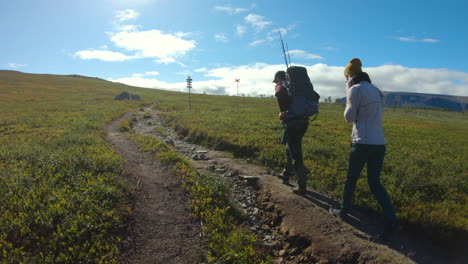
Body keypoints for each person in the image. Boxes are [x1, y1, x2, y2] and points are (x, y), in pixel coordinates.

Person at [329, 58, 398, 240]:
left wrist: (348, 96)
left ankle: (343, 210)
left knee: (351, 179)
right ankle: (391, 219)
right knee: (375, 183)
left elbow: (349, 117)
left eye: (346, 78)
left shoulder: (355, 89)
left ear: (349, 76)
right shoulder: (375, 91)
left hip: (362, 143)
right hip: (379, 144)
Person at [273, 70, 309, 194]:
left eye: (276, 80)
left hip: (293, 123)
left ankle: (302, 185)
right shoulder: (298, 88)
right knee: (290, 147)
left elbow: (284, 108)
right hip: (304, 121)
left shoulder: (281, 88)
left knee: (295, 153)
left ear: (278, 78)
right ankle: (286, 173)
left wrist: (282, 112)